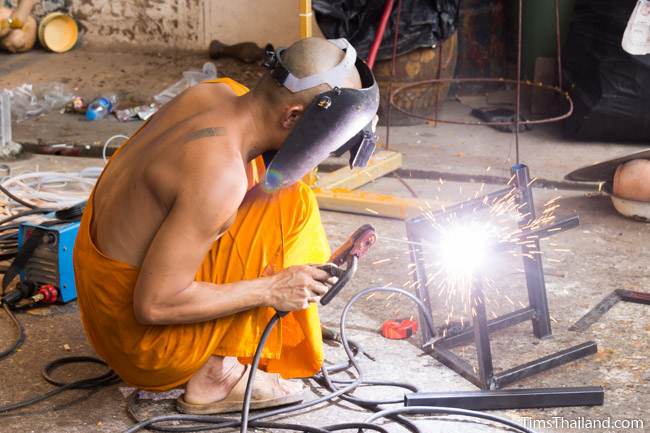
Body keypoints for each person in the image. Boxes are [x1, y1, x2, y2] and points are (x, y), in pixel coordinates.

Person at [73, 37, 378, 414]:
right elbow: (153, 305)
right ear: (293, 116)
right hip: (142, 344)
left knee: (287, 195)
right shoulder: (220, 177)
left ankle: (281, 313)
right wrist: (270, 289)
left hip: (98, 296)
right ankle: (219, 373)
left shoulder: (216, 92)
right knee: (286, 214)